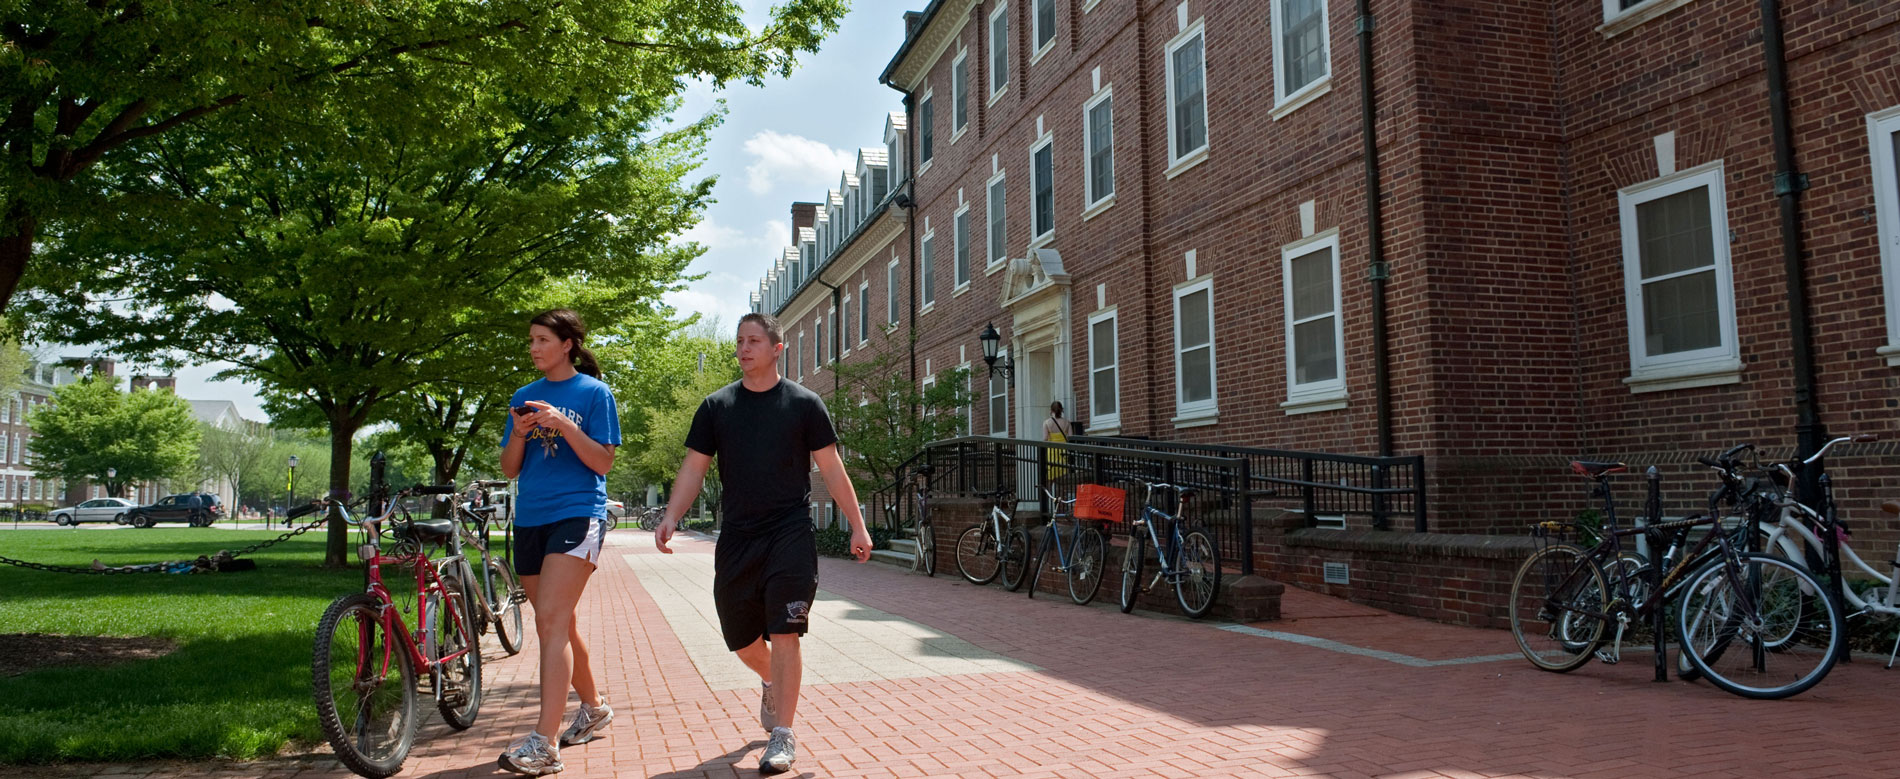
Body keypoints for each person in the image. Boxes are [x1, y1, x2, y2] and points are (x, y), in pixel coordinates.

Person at [655, 312, 872, 776]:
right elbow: (694, 467)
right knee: (741, 640)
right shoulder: (717, 407)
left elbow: (832, 469)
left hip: (789, 532)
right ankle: (771, 678)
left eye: (754, 340)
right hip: (737, 537)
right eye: (739, 341)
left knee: (786, 631)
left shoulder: (804, 403)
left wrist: (858, 524)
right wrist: (672, 514)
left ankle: (783, 735)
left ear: (777, 348)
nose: (743, 348)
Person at [497, 309, 622, 776]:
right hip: (531, 518)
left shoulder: (594, 394)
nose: (533, 348)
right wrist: (522, 433)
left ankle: (544, 743)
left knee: (550, 621)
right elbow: (511, 468)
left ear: (567, 344)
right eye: (530, 340)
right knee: (559, 624)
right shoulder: (522, 397)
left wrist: (565, 426)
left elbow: (603, 463)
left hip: (578, 513)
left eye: (542, 339)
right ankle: (593, 707)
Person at [1043, 400, 1073, 484]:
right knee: (1062, 478)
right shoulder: (1067, 423)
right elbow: (1070, 437)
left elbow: (1045, 438)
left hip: (1052, 451)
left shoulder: (1046, 423)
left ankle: (1048, 496)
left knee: (1050, 477)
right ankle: (1061, 496)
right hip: (1063, 451)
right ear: (1061, 410)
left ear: (1051, 410)